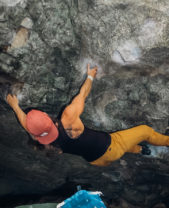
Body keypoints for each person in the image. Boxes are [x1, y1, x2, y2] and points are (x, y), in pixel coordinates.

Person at [6, 64, 169, 167]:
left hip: (95, 161)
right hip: (111, 148)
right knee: (145, 131)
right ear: (45, 115)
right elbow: (82, 94)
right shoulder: (68, 120)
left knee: (125, 146)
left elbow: (24, 122)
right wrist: (91, 75)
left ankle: (141, 150)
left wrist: (15, 106)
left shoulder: (36, 138)